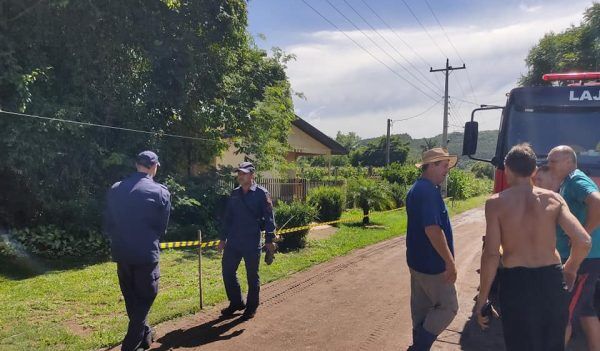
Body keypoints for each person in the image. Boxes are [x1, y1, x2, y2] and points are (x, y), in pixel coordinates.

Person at [476, 143, 591, 351]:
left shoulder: (495, 204)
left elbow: (491, 254)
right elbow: (583, 241)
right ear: (534, 171)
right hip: (551, 281)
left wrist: (482, 298)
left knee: (520, 344)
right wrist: (570, 269)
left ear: (507, 169)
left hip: (516, 283)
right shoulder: (554, 199)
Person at [104, 151, 171, 351]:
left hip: (121, 253)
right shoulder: (160, 191)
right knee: (145, 298)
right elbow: (162, 228)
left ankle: (145, 335)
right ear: (154, 166)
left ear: (136, 165)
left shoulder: (115, 188)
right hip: (145, 254)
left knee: (132, 297)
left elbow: (108, 222)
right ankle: (130, 346)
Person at [405, 148, 458, 351]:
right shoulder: (428, 191)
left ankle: (420, 345)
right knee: (448, 307)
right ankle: (419, 348)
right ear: (432, 165)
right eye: (444, 166)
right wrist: (450, 262)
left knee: (422, 310)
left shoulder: (417, 188)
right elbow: (433, 230)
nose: (447, 170)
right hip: (433, 265)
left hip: (417, 262)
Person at [548, 145, 600, 349]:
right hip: (584, 257)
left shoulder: (576, 180)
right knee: (585, 310)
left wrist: (584, 233)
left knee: (564, 313)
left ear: (569, 162)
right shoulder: (568, 182)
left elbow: (597, 201)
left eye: (553, 161)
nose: (548, 164)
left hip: (583, 261)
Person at [218, 161, 276, 321]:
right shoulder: (235, 193)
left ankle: (251, 307)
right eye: (239, 173)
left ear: (252, 175)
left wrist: (270, 240)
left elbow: (269, 219)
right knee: (227, 271)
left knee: (252, 276)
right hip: (234, 241)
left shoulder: (262, 194)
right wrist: (223, 238)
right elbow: (228, 218)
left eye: (243, 173)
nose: (240, 176)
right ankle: (236, 302)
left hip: (252, 241)